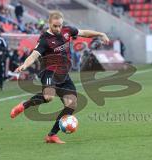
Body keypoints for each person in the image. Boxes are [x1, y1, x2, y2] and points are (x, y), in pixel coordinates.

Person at [10, 11, 110, 144]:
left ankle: (51, 135)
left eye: (60, 26)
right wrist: (25, 65)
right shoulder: (44, 39)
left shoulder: (67, 30)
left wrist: (100, 34)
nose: (58, 29)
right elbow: (34, 55)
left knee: (72, 105)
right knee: (49, 97)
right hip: (49, 72)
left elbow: (84, 33)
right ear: (49, 24)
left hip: (64, 74)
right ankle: (24, 105)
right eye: (55, 26)